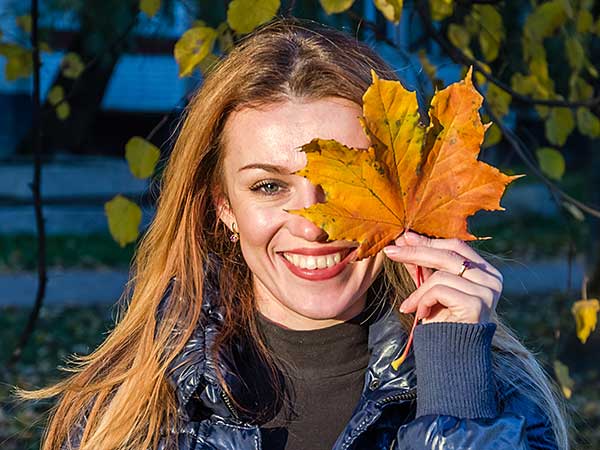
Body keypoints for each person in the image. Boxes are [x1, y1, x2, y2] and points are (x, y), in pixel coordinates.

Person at [27, 19, 568, 450]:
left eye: (342, 183)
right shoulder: (129, 411)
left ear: (403, 188)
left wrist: (455, 391)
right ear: (224, 206)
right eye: (268, 186)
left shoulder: (499, 395)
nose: (311, 225)